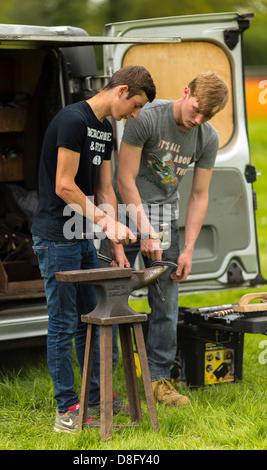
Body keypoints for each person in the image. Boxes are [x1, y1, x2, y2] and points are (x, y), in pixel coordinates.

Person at [31, 65, 156, 432]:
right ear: (121, 91)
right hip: (56, 237)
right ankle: (67, 409)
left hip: (85, 237)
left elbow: (104, 190)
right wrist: (105, 223)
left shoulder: (106, 128)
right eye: (135, 105)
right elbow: (65, 186)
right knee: (64, 323)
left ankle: (97, 398)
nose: (135, 114)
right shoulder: (72, 120)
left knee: (93, 318)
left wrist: (112, 242)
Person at [111, 71, 229, 406]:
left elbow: (199, 195)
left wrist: (188, 249)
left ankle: (158, 381)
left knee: (166, 299)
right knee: (109, 292)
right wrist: (143, 230)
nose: (198, 119)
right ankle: (102, 384)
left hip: (164, 216)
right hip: (124, 212)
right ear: (185, 90)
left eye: (206, 115)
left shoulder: (207, 137)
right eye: (196, 109)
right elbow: (124, 178)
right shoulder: (147, 117)